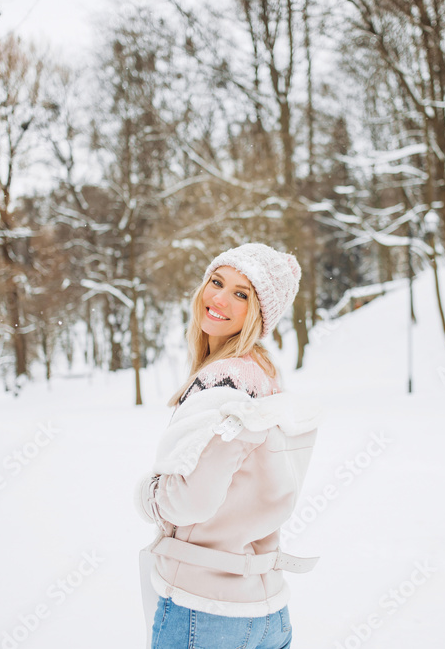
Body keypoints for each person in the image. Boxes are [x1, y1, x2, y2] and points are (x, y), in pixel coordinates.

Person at [135, 242, 322, 649]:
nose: (219, 298)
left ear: (258, 314)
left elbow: (191, 501)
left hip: (206, 613)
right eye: (217, 282)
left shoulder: (224, 381)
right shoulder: (263, 376)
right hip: (266, 611)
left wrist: (149, 494)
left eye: (241, 294)